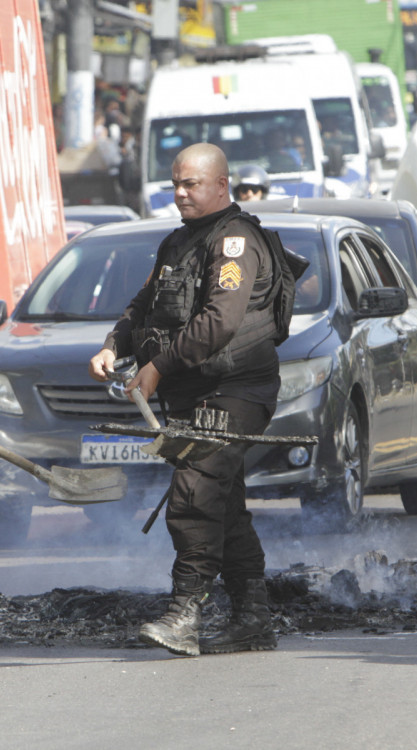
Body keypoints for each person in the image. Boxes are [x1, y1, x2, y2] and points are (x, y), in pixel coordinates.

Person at [88, 142, 285, 657]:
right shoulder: (178, 242)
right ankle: (252, 620)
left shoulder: (236, 242)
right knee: (224, 506)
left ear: (221, 185)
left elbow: (219, 320)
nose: (179, 193)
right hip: (192, 393)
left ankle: (185, 614)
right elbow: (144, 305)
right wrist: (115, 344)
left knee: (195, 495)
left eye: (191, 184)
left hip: (235, 389)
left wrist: (156, 368)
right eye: (175, 183)